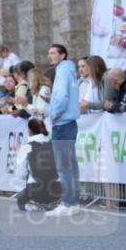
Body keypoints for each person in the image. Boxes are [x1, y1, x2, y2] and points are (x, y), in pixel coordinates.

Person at [46, 44, 81, 217]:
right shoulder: (70, 71)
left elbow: (61, 95)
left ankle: (67, 202)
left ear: (63, 55)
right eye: (49, 53)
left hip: (62, 122)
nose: (49, 56)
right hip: (70, 122)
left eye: (53, 53)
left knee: (64, 166)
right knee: (70, 165)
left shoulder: (62, 71)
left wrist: (55, 113)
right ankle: (73, 202)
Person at [9, 118, 61, 211]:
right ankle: (53, 203)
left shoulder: (26, 147)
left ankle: (37, 204)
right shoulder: (55, 145)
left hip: (36, 189)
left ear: (30, 130)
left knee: (20, 200)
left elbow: (20, 174)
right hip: (56, 190)